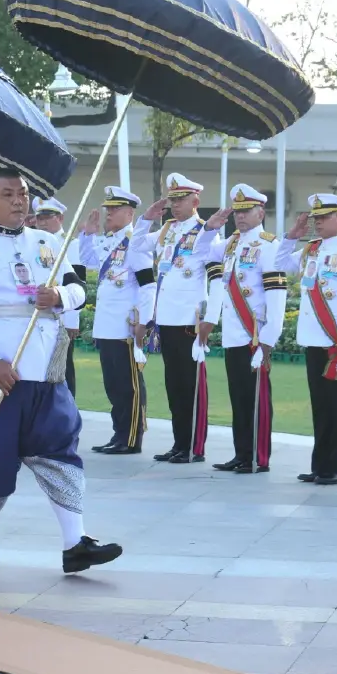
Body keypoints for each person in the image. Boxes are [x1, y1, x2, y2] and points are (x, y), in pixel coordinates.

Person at [0, 168, 123, 574]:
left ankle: (75, 542)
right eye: (8, 194)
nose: (18, 200)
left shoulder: (48, 242)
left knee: (59, 450)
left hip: (45, 369)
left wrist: (60, 295)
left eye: (24, 193)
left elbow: (78, 289)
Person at [275, 194, 337, 485]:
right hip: (313, 338)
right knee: (319, 405)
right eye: (315, 218)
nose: (318, 223)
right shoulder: (310, 251)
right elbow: (280, 263)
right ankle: (320, 465)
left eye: (324, 217)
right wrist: (291, 236)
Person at [140, 174, 227, 464]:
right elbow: (135, 248)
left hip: (191, 321)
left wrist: (210, 320)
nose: (175, 205)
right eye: (172, 199)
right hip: (167, 319)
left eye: (181, 200)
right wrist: (146, 219)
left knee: (192, 387)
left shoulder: (208, 233)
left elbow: (217, 282)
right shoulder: (167, 231)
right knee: (174, 385)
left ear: (196, 201)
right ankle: (179, 443)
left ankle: (194, 447)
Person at [198, 184, 284, 474]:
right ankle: (241, 453)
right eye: (237, 211)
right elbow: (200, 253)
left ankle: (258, 457)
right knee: (238, 397)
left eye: (246, 211)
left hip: (254, 336)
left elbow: (277, 299)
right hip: (234, 335)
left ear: (261, 212)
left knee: (256, 399)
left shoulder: (270, 246)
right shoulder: (231, 244)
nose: (241, 216)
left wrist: (268, 342)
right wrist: (210, 227)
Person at [76, 187, 156, 454]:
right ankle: (119, 434)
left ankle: (132, 438)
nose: (108, 213)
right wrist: (87, 234)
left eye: (114, 209)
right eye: (108, 208)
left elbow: (148, 286)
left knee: (129, 386)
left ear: (130, 213)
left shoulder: (136, 244)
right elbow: (87, 260)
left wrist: (144, 321)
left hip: (125, 326)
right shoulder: (109, 241)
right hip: (106, 326)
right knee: (113, 386)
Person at [32, 197, 85, 397]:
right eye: (39, 218)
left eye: (47, 217)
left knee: (63, 366)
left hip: (62, 314)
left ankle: (67, 405)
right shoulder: (35, 243)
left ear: (60, 218)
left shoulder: (70, 244)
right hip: (39, 314)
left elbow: (77, 283)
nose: (42, 222)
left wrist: (72, 321)